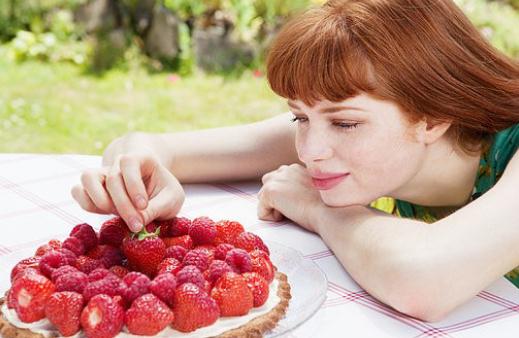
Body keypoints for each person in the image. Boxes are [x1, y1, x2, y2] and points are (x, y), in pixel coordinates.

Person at [72, 0, 519, 322]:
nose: (309, 150)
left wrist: (316, 207)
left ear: (433, 115)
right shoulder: (340, 127)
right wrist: (135, 171)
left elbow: (423, 279)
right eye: (299, 116)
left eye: (345, 124)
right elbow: (151, 144)